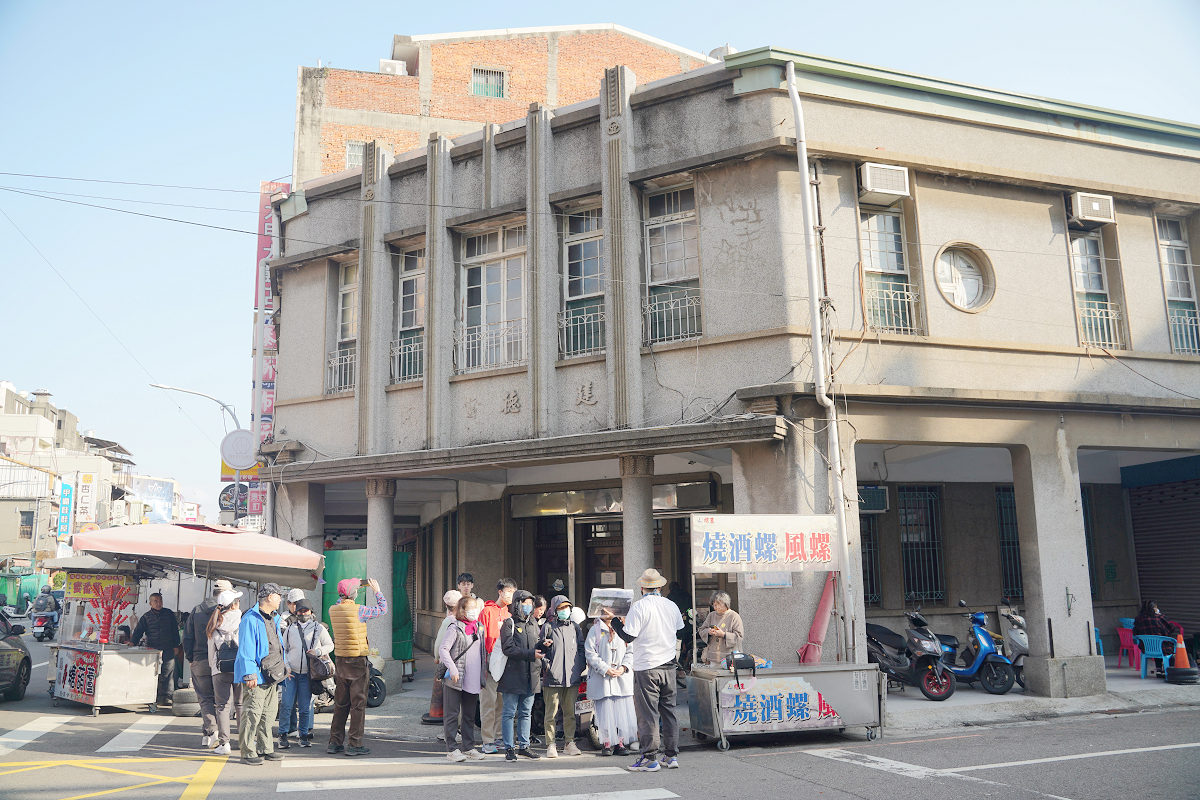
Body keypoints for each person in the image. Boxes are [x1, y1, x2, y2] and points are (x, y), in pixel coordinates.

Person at [605, 568, 684, 773]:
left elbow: (628, 636)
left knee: (648, 714)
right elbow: (679, 629)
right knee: (669, 712)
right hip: (669, 665)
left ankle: (650, 758)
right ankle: (671, 755)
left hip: (647, 667)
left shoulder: (639, 607)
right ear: (659, 586)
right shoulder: (671, 605)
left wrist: (614, 619)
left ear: (642, 588)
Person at [327, 577, 388, 757]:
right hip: (357, 662)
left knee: (341, 703)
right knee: (358, 704)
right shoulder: (359, 610)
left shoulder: (333, 609)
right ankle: (354, 744)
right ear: (354, 594)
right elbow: (382, 609)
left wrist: (351, 587)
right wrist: (377, 590)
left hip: (340, 660)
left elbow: (342, 599)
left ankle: (334, 742)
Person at [235, 584, 287, 765]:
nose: (281, 599)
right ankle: (248, 751)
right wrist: (250, 674)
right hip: (257, 675)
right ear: (269, 597)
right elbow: (246, 648)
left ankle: (265, 748)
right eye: (279, 595)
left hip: (271, 674)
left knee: (268, 714)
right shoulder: (250, 618)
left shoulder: (273, 617)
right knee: (252, 714)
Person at [184, 579, 234, 749]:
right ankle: (219, 734)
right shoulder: (228, 610)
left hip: (200, 659)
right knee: (222, 702)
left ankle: (211, 731)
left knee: (205, 698)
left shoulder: (197, 609)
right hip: (222, 661)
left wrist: (191, 658)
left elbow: (187, 637)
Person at [439, 595, 488, 763]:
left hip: (473, 678)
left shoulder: (479, 627)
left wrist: (482, 676)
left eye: (476, 608)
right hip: (456, 677)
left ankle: (468, 747)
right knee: (452, 715)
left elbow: (482, 653)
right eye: (470, 608)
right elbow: (443, 650)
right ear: (462, 610)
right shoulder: (455, 627)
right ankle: (451, 749)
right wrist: (452, 668)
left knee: (469, 715)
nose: (474, 611)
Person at [279, 601, 333, 749]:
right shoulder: (290, 629)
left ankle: (303, 736)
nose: (303, 614)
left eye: (305, 611)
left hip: (308, 675)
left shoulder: (318, 628)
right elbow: (284, 649)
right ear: (296, 612)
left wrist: (318, 651)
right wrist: (287, 667)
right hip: (291, 674)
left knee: (304, 707)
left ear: (311, 611)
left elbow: (330, 645)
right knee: (286, 705)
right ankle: (282, 735)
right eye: (300, 611)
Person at [499, 590, 543, 762]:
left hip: (531, 675)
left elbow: (536, 645)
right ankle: (509, 747)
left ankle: (524, 746)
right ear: (517, 603)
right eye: (524, 602)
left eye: (530, 603)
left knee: (526, 712)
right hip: (512, 674)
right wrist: (531, 654)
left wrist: (543, 646)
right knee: (509, 712)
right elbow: (508, 649)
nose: (528, 606)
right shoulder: (508, 623)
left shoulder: (534, 624)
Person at [585, 607, 635, 756]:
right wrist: (605, 668)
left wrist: (624, 667)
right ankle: (607, 743)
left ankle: (620, 743)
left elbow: (631, 651)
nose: (607, 614)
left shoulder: (624, 628)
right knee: (604, 713)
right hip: (603, 678)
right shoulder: (594, 630)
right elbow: (590, 653)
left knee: (621, 712)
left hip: (621, 677)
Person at [540, 594, 585, 757]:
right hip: (552, 677)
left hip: (571, 677)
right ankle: (551, 744)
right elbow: (541, 649)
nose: (564, 610)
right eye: (560, 608)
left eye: (566, 607)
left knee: (569, 712)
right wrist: (547, 666)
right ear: (554, 610)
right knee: (551, 713)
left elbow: (581, 648)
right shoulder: (548, 627)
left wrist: (579, 667)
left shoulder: (575, 627)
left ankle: (569, 742)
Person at [478, 578, 516, 754]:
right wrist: (483, 663)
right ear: (500, 592)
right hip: (489, 662)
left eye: (513, 593)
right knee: (488, 703)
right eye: (508, 592)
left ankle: (499, 736)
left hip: (506, 664)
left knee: (502, 703)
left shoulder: (510, 614)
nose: (510, 595)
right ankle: (487, 740)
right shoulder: (486, 612)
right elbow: (480, 639)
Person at [206, 589, 244, 756]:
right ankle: (244, 741)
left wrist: (214, 669)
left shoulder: (214, 623)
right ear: (234, 605)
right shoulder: (242, 621)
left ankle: (225, 744)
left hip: (220, 669)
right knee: (241, 705)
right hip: (240, 668)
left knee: (222, 707)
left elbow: (210, 653)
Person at [132, 591, 181, 706]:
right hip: (152, 649)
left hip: (168, 648)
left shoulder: (169, 614)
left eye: (160, 601)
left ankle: (167, 696)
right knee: (151, 673)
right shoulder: (146, 617)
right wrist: (132, 642)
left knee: (168, 673)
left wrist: (176, 645)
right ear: (150, 603)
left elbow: (175, 631)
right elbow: (138, 631)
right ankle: (151, 696)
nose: (159, 603)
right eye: (156, 601)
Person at [1133, 599, 1183, 675]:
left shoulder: (1138, 618)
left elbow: (1135, 632)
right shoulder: (1160, 617)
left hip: (1146, 648)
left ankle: (1159, 669)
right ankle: (1167, 670)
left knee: (1156, 644)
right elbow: (1171, 629)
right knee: (1162, 644)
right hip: (1163, 648)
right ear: (1154, 608)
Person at [697, 591, 744, 666]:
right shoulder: (711, 615)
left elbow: (739, 637)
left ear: (726, 604)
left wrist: (724, 634)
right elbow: (701, 629)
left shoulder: (734, 616)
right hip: (713, 657)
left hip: (730, 657)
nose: (717, 607)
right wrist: (708, 631)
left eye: (719, 605)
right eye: (714, 605)